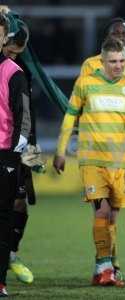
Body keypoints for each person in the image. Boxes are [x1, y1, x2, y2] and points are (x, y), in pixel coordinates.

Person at [53, 38, 125, 287]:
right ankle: (105, 268)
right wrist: (61, 150)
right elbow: (71, 118)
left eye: (122, 61)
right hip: (92, 160)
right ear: (101, 62)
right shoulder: (86, 83)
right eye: (113, 61)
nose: (118, 66)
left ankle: (101, 267)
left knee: (112, 217)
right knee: (102, 211)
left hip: (120, 162)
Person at [80, 17, 125, 283]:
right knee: (106, 207)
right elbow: (84, 99)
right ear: (107, 38)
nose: (122, 36)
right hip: (105, 147)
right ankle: (111, 263)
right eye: (116, 33)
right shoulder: (91, 65)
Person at [0, 11, 30, 297]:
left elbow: (24, 117)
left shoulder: (17, 72)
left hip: (8, 152)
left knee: (12, 211)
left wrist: (20, 152)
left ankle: (5, 266)